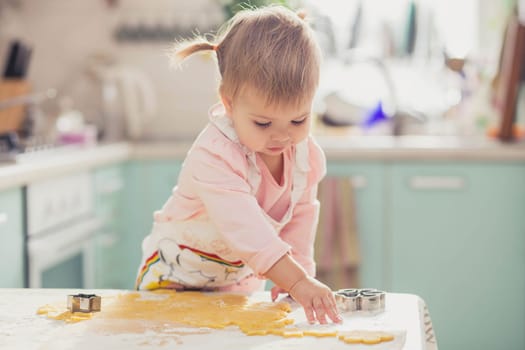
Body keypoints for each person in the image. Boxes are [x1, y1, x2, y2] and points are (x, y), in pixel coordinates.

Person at [135, 5, 341, 325]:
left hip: (236, 284)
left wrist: (296, 279)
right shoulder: (216, 154)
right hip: (173, 281)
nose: (283, 136)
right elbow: (246, 230)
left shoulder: (305, 156)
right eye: (262, 123)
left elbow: (301, 216)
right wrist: (299, 281)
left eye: (299, 119)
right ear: (229, 104)